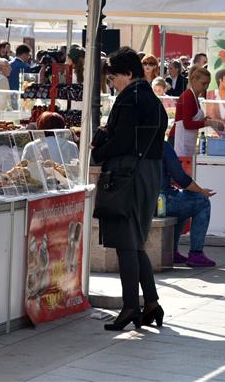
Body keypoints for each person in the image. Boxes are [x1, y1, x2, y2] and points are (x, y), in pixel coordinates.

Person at [91, 47, 168, 331]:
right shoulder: (151, 98)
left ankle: (129, 307)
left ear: (127, 73)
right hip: (148, 172)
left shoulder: (129, 100)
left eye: (113, 78)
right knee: (135, 241)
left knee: (126, 242)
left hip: (128, 175)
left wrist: (99, 148)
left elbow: (122, 141)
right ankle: (151, 303)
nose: (112, 83)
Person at [162, 141, 216, 267]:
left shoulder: (130, 143)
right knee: (201, 202)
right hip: (160, 201)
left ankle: (171, 251)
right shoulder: (161, 145)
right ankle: (196, 253)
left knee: (185, 200)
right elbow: (180, 177)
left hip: (138, 202)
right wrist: (202, 191)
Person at [169, 66, 223, 156]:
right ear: (194, 81)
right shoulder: (188, 96)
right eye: (204, 83)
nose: (206, 87)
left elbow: (191, 119)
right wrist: (209, 123)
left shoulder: (194, 97)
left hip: (186, 140)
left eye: (208, 84)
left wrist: (204, 121)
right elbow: (187, 124)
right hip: (178, 140)